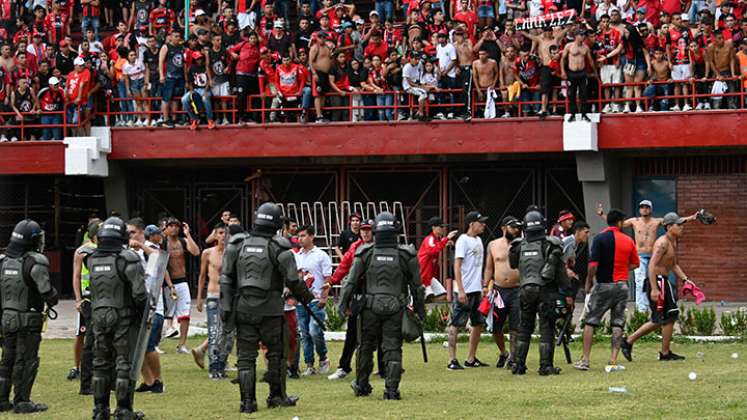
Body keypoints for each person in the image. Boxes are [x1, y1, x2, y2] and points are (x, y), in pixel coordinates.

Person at [221, 202, 314, 413]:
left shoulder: (237, 244)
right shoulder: (279, 247)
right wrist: (307, 298)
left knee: (246, 358)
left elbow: (226, 278)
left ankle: (247, 403)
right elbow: (293, 280)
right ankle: (276, 396)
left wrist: (226, 307)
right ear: (277, 223)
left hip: (243, 308)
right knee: (276, 354)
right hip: (271, 310)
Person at [337, 212, 424, 400]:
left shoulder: (365, 253)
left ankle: (362, 385)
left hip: (370, 308)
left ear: (376, 230)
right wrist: (420, 310)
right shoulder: (406, 254)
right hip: (395, 308)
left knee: (366, 346)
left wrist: (342, 304)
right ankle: (391, 390)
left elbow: (350, 283)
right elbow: (417, 287)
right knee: (393, 347)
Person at [88, 217, 147, 419]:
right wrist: (142, 313)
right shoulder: (128, 258)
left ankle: (99, 410)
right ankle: (123, 410)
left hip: (98, 317)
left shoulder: (93, 259)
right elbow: (140, 294)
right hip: (124, 316)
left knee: (100, 363)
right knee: (124, 363)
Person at [621, 213, 699, 362]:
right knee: (670, 315)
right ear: (669, 227)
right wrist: (655, 288)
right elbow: (651, 265)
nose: (682, 227)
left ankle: (628, 341)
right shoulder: (662, 243)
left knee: (660, 319)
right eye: (678, 225)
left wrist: (686, 279)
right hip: (657, 281)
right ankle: (664, 353)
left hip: (662, 281)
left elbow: (674, 264)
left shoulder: (673, 242)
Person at [0, 219, 59, 413]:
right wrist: (53, 297)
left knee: (7, 360)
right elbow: (47, 293)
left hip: (7, 318)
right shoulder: (35, 261)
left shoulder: (3, 261)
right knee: (26, 360)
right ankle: (22, 401)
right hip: (28, 319)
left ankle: (2, 400)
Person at [596, 201, 697, 312]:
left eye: (647, 207)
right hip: (639, 256)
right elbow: (616, 224)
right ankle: (641, 309)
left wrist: (693, 217)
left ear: (651, 209)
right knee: (640, 282)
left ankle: (654, 306)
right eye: (642, 207)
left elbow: (675, 222)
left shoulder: (657, 221)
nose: (644, 209)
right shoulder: (635, 221)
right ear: (639, 209)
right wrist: (602, 215)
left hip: (654, 255)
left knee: (652, 281)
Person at [508, 208, 572, 375]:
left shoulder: (517, 246)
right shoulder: (551, 245)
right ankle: (545, 366)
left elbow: (513, 265)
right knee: (546, 328)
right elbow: (560, 274)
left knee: (525, 328)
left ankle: (519, 365)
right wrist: (567, 292)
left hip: (524, 290)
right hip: (545, 291)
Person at [574, 210, 639, 372]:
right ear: (618, 222)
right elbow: (635, 264)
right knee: (617, 322)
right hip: (622, 286)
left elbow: (593, 265)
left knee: (591, 321)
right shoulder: (628, 240)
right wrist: (622, 269)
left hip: (603, 285)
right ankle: (613, 360)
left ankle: (585, 360)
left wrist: (588, 282)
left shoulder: (600, 238)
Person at [327, 218, 375, 381]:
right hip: (359, 294)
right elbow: (344, 266)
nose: (366, 232)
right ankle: (344, 367)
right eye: (363, 229)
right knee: (352, 332)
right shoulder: (355, 247)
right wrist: (332, 281)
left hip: (376, 294)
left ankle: (384, 368)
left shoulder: (380, 247)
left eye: (369, 229)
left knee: (382, 332)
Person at [447, 211, 487, 370]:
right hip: (466, 290)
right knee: (456, 323)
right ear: (471, 224)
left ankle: (471, 358)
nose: (483, 225)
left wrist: (483, 285)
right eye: (480, 222)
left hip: (476, 289)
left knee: (478, 323)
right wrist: (461, 290)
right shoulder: (463, 240)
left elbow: (478, 265)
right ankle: (452, 360)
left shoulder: (479, 240)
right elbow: (457, 265)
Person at [194, 224, 234, 379]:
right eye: (221, 233)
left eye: (226, 233)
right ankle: (213, 368)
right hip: (213, 295)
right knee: (214, 332)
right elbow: (202, 276)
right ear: (215, 235)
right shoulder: (208, 253)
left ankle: (221, 365)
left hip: (229, 297)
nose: (223, 236)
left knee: (229, 334)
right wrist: (199, 297)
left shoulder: (233, 253)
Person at [483, 216, 522, 369]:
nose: (516, 230)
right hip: (499, 290)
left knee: (515, 325)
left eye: (517, 227)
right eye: (513, 227)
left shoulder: (521, 244)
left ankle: (513, 356)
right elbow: (489, 267)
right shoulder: (493, 245)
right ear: (504, 228)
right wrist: (485, 286)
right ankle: (503, 352)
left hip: (516, 289)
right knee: (497, 325)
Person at [294, 225, 333, 375]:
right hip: (300, 301)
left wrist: (324, 296)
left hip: (316, 299)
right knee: (304, 333)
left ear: (311, 236)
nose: (300, 239)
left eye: (303, 236)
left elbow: (328, 277)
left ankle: (323, 358)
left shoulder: (321, 255)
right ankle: (309, 364)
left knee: (314, 330)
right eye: (299, 236)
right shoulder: (297, 256)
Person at [135, 225, 168, 394]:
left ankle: (158, 381)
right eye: (157, 234)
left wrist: (140, 245)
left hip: (154, 307)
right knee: (137, 347)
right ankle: (148, 381)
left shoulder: (153, 250)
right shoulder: (138, 252)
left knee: (148, 346)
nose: (160, 236)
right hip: (142, 305)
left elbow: (158, 259)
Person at [71, 220, 101, 395]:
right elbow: (76, 276)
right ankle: (86, 383)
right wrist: (78, 299)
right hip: (89, 302)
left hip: (105, 301)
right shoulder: (82, 252)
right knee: (89, 342)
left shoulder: (109, 249)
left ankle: (108, 380)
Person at [163, 218, 200, 353]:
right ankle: (155, 343)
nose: (174, 228)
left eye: (176, 226)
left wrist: (188, 234)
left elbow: (196, 252)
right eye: (171, 226)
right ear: (166, 228)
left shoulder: (182, 242)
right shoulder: (162, 243)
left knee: (185, 314)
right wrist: (169, 284)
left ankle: (182, 344)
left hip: (182, 281)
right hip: (166, 284)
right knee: (164, 314)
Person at [417, 216, 458, 301]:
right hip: (423, 276)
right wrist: (446, 239)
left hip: (429, 276)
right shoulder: (430, 238)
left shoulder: (434, 240)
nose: (443, 229)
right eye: (441, 226)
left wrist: (444, 242)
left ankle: (426, 303)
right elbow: (432, 250)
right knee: (424, 298)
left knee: (442, 296)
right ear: (433, 227)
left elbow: (435, 247)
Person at [561, 29, 594, 121]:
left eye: (584, 35)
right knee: (572, 94)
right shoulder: (569, 46)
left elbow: (590, 61)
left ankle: (584, 113)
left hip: (582, 72)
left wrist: (595, 73)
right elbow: (563, 59)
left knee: (583, 94)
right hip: (572, 72)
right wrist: (563, 71)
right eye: (581, 35)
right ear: (576, 36)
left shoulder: (585, 47)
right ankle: (573, 113)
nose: (583, 37)